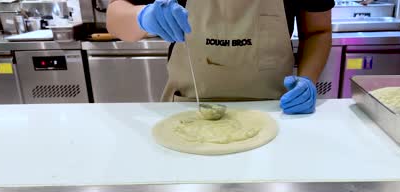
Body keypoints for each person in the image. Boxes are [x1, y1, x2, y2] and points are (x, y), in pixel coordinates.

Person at [107, 0, 334, 114]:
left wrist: (307, 80)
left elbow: (317, 31)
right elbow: (115, 18)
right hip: (188, 109)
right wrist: (142, 16)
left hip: (275, 111)